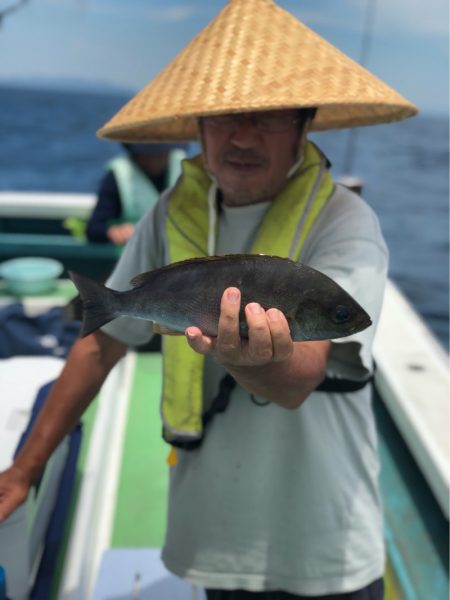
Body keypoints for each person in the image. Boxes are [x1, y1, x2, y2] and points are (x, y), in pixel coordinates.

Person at [0, 0, 417, 598]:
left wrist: (262, 360)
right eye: (224, 117)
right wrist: (24, 468)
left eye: (269, 116)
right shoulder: (172, 213)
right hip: (209, 537)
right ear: (198, 128)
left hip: (319, 543)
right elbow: (100, 346)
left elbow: (301, 377)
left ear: (304, 123)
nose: (243, 135)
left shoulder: (345, 222)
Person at [86, 142, 187, 244]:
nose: (154, 160)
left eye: (160, 153)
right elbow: (94, 228)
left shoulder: (186, 170)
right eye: (148, 153)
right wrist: (112, 231)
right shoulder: (117, 177)